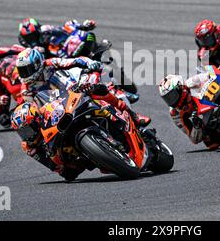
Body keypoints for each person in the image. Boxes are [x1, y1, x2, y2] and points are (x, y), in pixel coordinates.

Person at [16, 48, 150, 127]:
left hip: (75, 88)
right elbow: (33, 109)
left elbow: (75, 60)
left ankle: (133, 115)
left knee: (99, 88)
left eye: (26, 69)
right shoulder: (26, 90)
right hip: (58, 109)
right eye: (22, 71)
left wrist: (90, 63)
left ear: (37, 63)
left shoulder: (50, 63)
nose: (24, 74)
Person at [11, 102, 85, 181]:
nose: (27, 135)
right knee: (68, 174)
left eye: (28, 129)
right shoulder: (28, 146)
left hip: (62, 131)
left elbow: (58, 101)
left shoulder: (44, 110)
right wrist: (57, 163)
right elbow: (49, 164)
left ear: (36, 120)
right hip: (63, 155)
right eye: (22, 132)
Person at [158, 74, 220, 150]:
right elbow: (194, 139)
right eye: (167, 98)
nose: (172, 101)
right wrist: (196, 126)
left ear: (180, 87)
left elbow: (214, 74)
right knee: (210, 141)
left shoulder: (194, 81)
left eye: (172, 95)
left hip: (215, 99)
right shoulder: (175, 113)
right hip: (206, 116)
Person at [18, 17, 97, 58]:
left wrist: (82, 26)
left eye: (33, 35)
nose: (32, 38)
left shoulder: (45, 31)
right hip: (51, 64)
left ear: (38, 30)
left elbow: (62, 29)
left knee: (72, 26)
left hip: (61, 52)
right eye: (28, 37)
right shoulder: (23, 43)